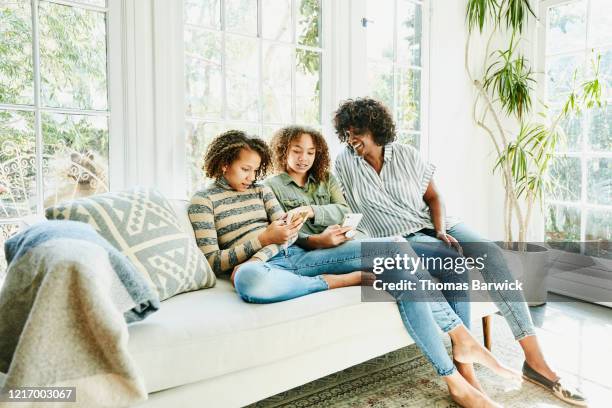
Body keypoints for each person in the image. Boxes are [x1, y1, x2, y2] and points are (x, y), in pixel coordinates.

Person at [332, 97, 587, 407]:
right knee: (451, 261)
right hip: (395, 236)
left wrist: (440, 230)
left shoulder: (407, 155)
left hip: (433, 223)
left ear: (374, 127)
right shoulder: (344, 162)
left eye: (356, 130)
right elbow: (339, 202)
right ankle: (465, 369)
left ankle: (536, 363)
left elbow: (434, 197)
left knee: (491, 254)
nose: (350, 138)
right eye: (345, 132)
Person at [258, 125, 519, 407]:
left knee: (409, 278)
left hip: (349, 244)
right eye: (297, 151)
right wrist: (317, 239)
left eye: (310, 152)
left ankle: (457, 378)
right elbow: (284, 232)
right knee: (395, 246)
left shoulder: (325, 179)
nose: (303, 158)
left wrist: (312, 211)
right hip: (314, 252)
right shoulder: (271, 187)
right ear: (283, 151)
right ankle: (462, 339)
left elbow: (344, 210)